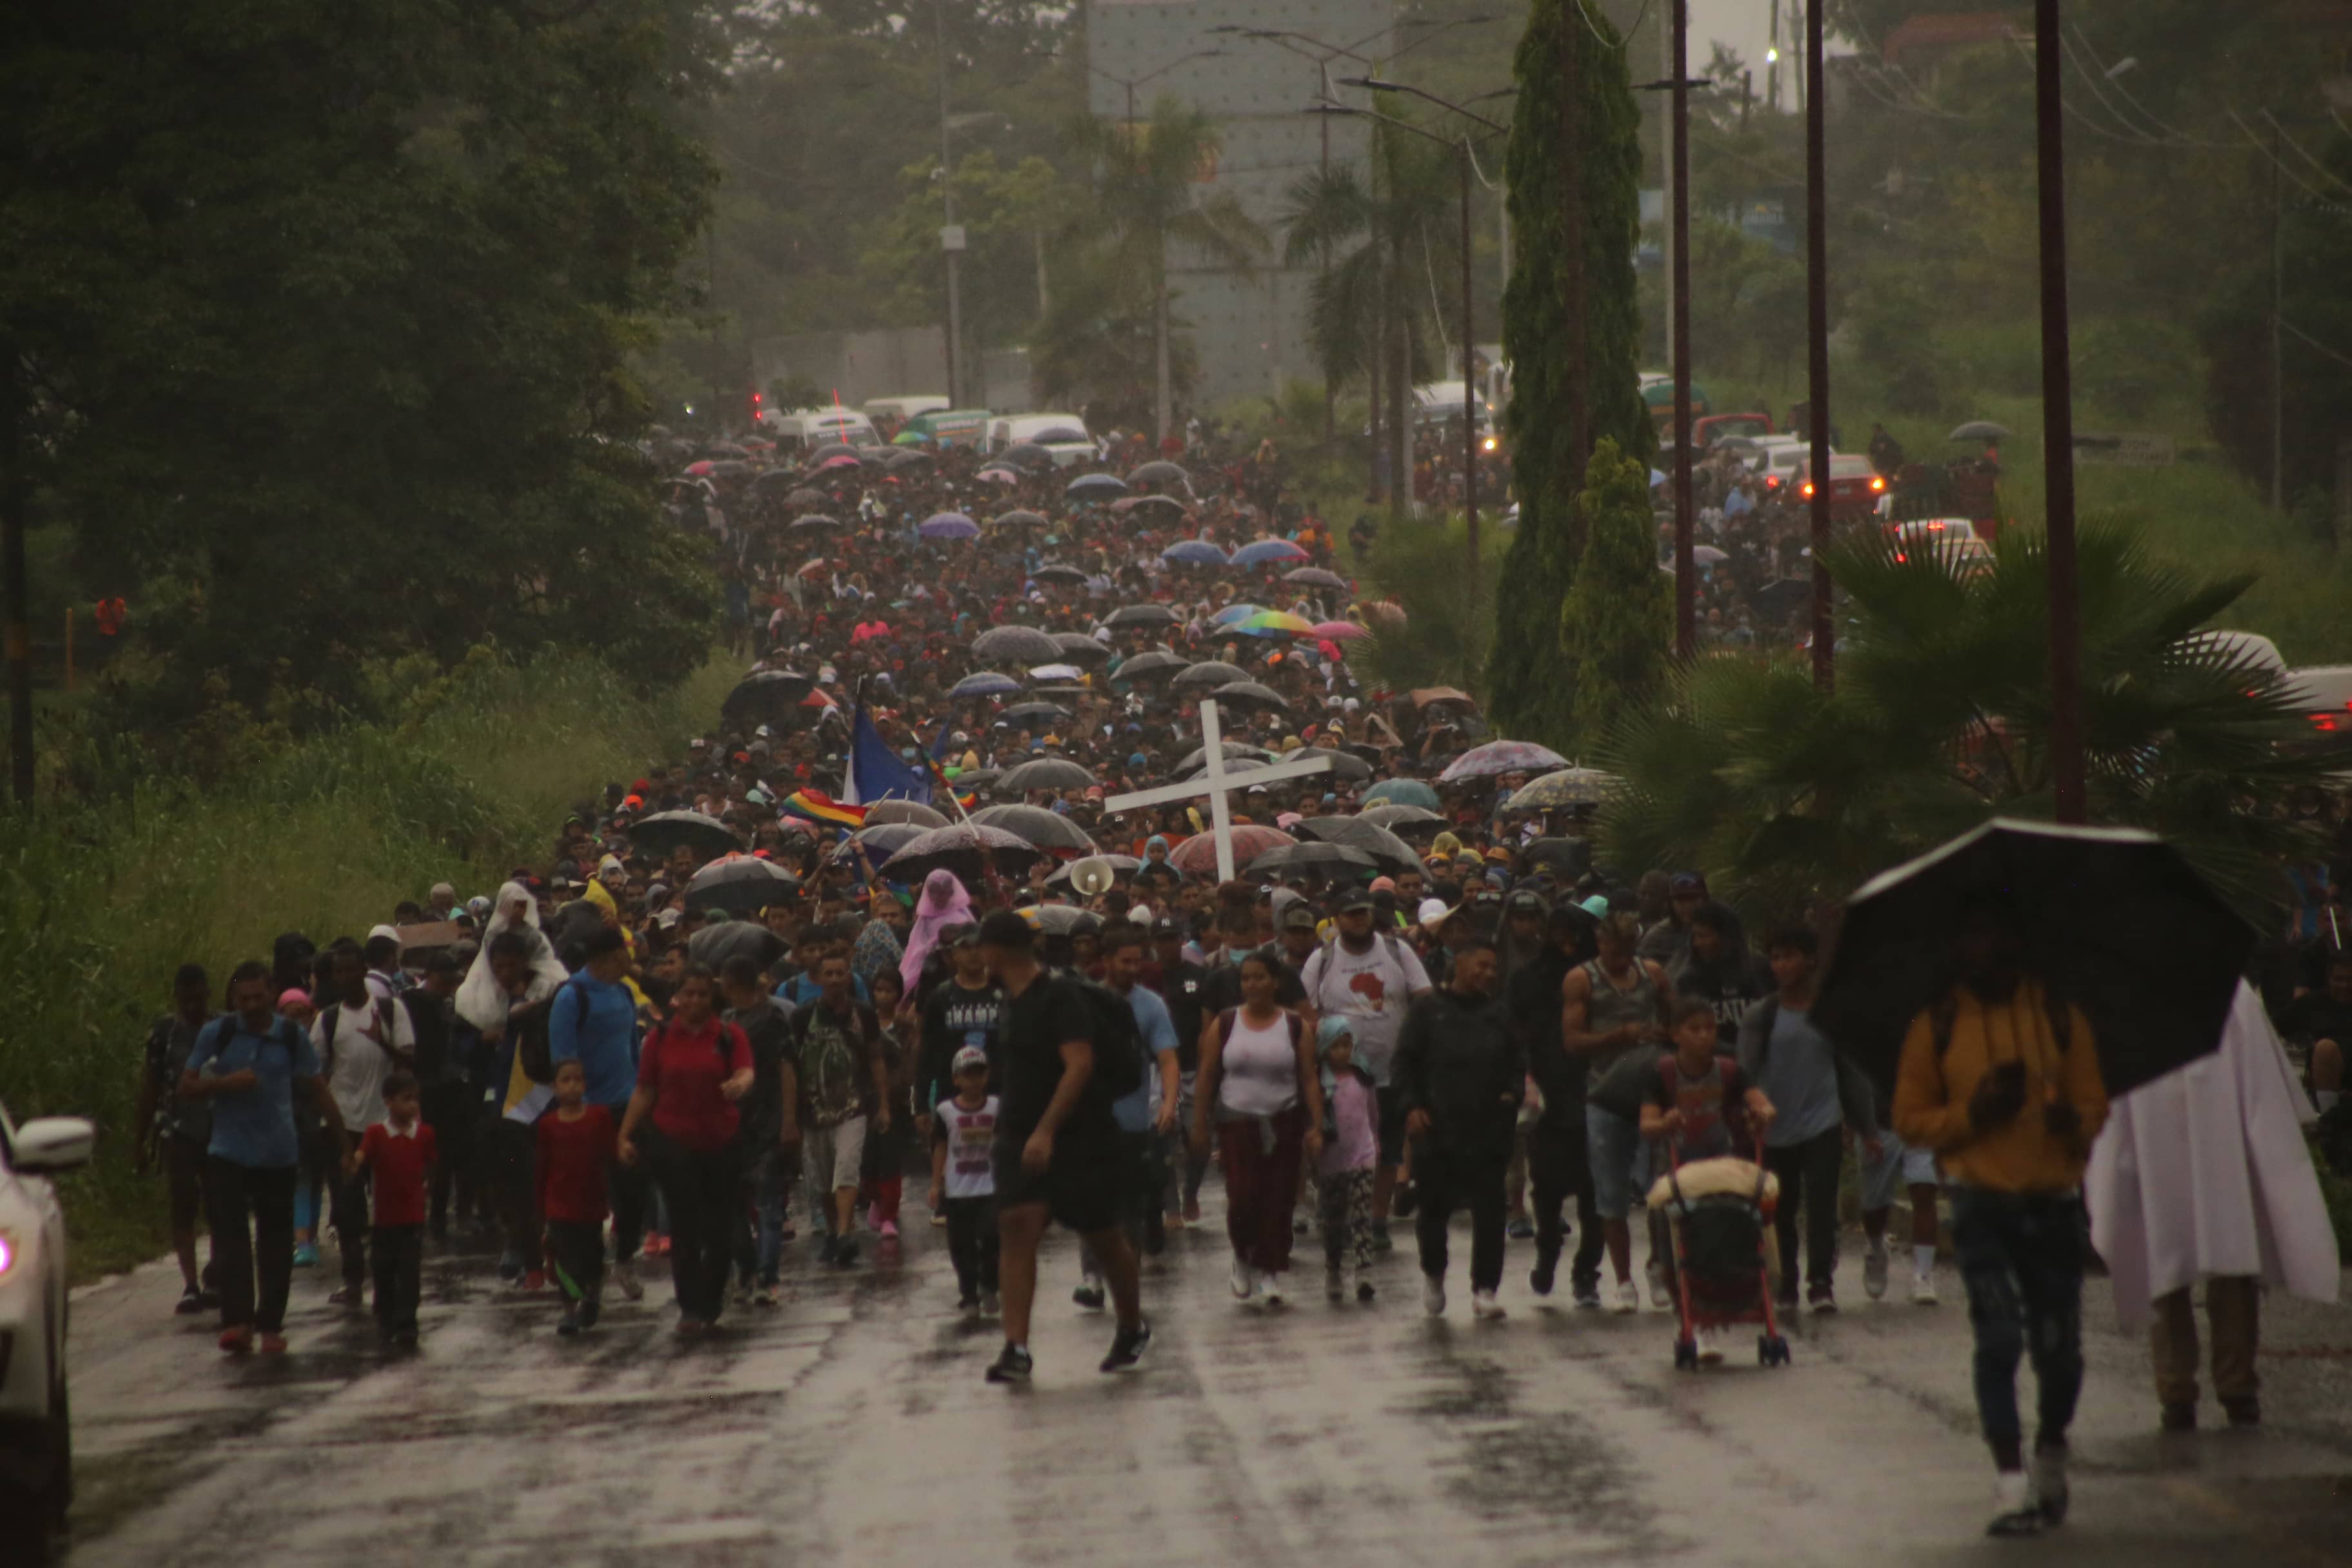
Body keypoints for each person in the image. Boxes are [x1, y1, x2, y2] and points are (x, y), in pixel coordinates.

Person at [1891, 894, 2107, 1538]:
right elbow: (1909, 1118)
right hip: (1981, 1204)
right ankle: (2010, 1480)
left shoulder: (2059, 1015)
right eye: (1970, 936)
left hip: (2053, 1204)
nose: (1982, 948)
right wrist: (1973, 1114)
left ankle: (2051, 1451)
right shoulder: (1937, 1023)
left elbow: (2094, 1103)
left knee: (2059, 1350)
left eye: (1994, 934)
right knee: (2001, 1338)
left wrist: (2072, 1122)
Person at [2086, 981, 2339, 1431]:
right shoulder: (2227, 993)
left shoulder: (2170, 994)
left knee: (2193, 1265)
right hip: (2200, 1149)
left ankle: (2197, 1388)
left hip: (2185, 1149)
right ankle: (2209, 1387)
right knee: (2212, 1264)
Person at [977, 909, 1150, 1383]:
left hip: (1080, 1136)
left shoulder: (1060, 997)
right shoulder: (1009, 1000)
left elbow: (1080, 1065)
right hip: (1018, 1134)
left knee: (1103, 1236)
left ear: (997, 950)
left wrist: (1048, 1130)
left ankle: (1132, 1325)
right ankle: (1016, 1347)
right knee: (1017, 1225)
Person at [181, 961, 344, 1355]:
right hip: (228, 1153)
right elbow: (186, 1087)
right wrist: (224, 1084)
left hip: (279, 1154)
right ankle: (238, 1323)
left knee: (274, 1243)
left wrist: (343, 1141)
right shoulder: (216, 1034)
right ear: (233, 1000)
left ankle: (271, 1324)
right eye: (243, 999)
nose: (252, 1005)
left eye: (258, 997)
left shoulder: (290, 1037)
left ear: (271, 994)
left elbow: (319, 1089)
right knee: (232, 1241)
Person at [1737, 925, 1872, 1314]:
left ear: (1810, 960)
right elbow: (1745, 1073)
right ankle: (1786, 1283)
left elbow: (1849, 1072)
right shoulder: (1762, 1015)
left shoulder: (1830, 1012)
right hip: (1775, 1125)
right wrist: (1750, 1113)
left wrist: (1865, 1127)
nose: (1781, 965)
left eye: (1790, 956)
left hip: (1823, 1123)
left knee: (1821, 1204)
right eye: (1776, 957)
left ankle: (1820, 1283)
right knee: (1780, 1207)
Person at [1392, 936, 1524, 1320]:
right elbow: (1404, 1063)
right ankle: (1433, 1273)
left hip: (1488, 1129)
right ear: (1459, 962)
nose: (1487, 973)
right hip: (1437, 1127)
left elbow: (1517, 1063)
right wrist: (1412, 1107)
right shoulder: (1427, 1011)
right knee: (1433, 1208)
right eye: (1480, 965)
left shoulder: (1498, 1014)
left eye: (1493, 968)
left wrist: (1511, 1095)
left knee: (1490, 1210)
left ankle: (1485, 1289)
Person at [618, 963, 754, 1333]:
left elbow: (745, 1070)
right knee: (683, 1227)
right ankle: (691, 1308)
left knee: (720, 1229)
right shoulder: (659, 1040)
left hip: (721, 1143)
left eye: (703, 994)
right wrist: (625, 1134)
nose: (695, 1001)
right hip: (673, 1144)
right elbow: (645, 1090)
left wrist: (740, 1084)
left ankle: (712, 1299)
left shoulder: (729, 1034)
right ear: (677, 998)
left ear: (712, 998)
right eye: (689, 993)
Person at [1298, 888, 1432, 1252]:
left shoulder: (1396, 951)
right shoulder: (1321, 960)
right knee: (1340, 1148)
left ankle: (1377, 1220)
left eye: (1364, 912)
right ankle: (1339, 1213)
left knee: (1386, 1149)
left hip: (1392, 1071)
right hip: (1342, 1080)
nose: (1359, 919)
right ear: (1337, 919)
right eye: (1351, 913)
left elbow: (1423, 997)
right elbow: (1305, 1013)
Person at [1194, 950, 1323, 1306]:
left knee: (1278, 1199)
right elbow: (1207, 1075)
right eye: (1246, 978)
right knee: (1242, 1197)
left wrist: (1316, 1125)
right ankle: (1241, 1256)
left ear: (1275, 982)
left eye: (1260, 977)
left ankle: (1270, 1272)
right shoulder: (1225, 1023)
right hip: (1237, 1123)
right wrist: (1200, 1125)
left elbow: (1309, 1078)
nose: (1252, 984)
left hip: (1284, 1121)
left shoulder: (1295, 1025)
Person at [1562, 911, 1673, 1312]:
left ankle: (1658, 1266)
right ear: (1600, 941)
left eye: (1629, 949)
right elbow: (1572, 1041)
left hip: (1651, 1092)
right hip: (1606, 1094)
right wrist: (1618, 1036)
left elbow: (1677, 1017)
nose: (1622, 957)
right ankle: (1623, 1279)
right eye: (1614, 948)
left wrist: (1665, 1034)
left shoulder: (1653, 974)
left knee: (1659, 1187)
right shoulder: (1582, 980)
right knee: (1610, 1194)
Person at [1077, 926, 1180, 1309]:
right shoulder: (1086, 1003)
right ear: (1107, 962)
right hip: (1092, 1123)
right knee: (1094, 1205)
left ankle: (1128, 1285)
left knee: (1132, 1212)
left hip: (1138, 1125)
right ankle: (1092, 1279)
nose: (1133, 969)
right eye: (1126, 962)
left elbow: (1167, 1058)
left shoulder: (1152, 1006)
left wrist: (1169, 1103)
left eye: (1138, 961)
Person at [549, 925, 651, 1302]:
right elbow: (563, 1057)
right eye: (626, 951)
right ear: (610, 957)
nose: (633, 957)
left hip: (627, 1110)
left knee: (634, 1192)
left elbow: (633, 1051)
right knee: (588, 1198)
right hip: (588, 1112)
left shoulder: (623, 990)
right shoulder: (572, 996)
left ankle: (624, 1259)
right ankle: (586, 1275)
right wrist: (572, 1110)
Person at [313, 944, 416, 1309]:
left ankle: (389, 1280)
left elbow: (409, 1060)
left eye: (350, 971)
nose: (344, 978)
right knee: (347, 1208)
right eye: (337, 973)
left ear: (362, 971)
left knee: (390, 1206)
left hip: (384, 1125)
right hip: (343, 1127)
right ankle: (353, 1281)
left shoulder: (390, 1010)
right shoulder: (327, 1020)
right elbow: (316, 1073)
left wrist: (382, 1041)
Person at [1513, 899, 1604, 1308]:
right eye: (1558, 935)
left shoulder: (1602, 980)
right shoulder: (1529, 979)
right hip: (1548, 1095)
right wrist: (1526, 1079)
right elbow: (1515, 1035)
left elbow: (1624, 1040)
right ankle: (1548, 1252)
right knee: (1547, 1188)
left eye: (1574, 936)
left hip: (1599, 1093)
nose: (1566, 944)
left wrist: (1615, 1072)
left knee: (1595, 1193)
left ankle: (1587, 1272)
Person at [786, 952, 890, 1266]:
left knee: (846, 1169)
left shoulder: (864, 1015)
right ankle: (832, 1231)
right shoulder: (802, 1018)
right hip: (813, 1112)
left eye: (840, 973)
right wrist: (790, 1117)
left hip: (853, 1107)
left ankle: (846, 1233)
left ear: (849, 977)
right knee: (822, 1180)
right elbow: (790, 1067)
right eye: (828, 973)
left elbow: (876, 1058)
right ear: (817, 979)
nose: (834, 979)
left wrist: (883, 1104)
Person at [135, 963, 217, 1316]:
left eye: (199, 998)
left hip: (221, 1130)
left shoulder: (222, 1029)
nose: (194, 1006)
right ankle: (191, 1284)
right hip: (178, 1131)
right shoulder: (165, 1035)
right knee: (182, 1205)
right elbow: (150, 1086)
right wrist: (138, 1141)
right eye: (187, 1000)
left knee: (220, 1206)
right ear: (177, 998)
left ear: (208, 994)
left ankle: (216, 1275)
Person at [721, 956, 798, 1306]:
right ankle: (748, 1271)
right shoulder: (725, 1023)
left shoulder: (771, 1020)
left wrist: (789, 1121)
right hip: (734, 1124)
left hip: (766, 1122)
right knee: (737, 1206)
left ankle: (766, 1275)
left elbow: (787, 1070)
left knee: (767, 1205)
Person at [342, 1069, 435, 1346]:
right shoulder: (377, 1132)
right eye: (406, 1099)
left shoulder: (425, 1134)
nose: (413, 1105)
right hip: (383, 1219)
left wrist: (428, 1186)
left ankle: (407, 1322)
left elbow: (431, 1164)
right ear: (388, 1102)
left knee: (409, 1271)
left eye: (415, 1100)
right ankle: (385, 1315)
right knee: (383, 1268)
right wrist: (353, 1163)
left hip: (413, 1217)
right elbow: (362, 1154)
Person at [537, 1058, 617, 1337]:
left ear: (585, 1084)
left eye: (577, 1080)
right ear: (554, 1087)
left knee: (591, 1256)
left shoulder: (599, 1117)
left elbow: (610, 1156)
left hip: (592, 1203)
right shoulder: (547, 1125)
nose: (572, 1086)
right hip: (559, 1204)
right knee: (563, 1260)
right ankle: (569, 1312)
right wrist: (541, 1206)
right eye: (565, 1080)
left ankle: (592, 1296)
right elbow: (543, 1165)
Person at [930, 1045, 1002, 1315]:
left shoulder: (997, 1107)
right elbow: (940, 1147)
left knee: (992, 1237)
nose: (974, 1080)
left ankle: (990, 1286)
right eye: (967, 1075)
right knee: (962, 1246)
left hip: (990, 1187)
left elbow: (1005, 1142)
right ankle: (969, 1293)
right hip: (958, 1190)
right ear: (956, 1079)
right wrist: (936, 1184)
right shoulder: (945, 1111)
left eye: (979, 1074)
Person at [1315, 1017, 1380, 1303]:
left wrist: (1375, 1142)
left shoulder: (1363, 1078)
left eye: (1347, 1045)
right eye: (1335, 1046)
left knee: (1361, 1214)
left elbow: (1373, 1113)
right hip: (1331, 1161)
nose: (1342, 1052)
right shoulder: (1319, 1084)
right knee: (1333, 1220)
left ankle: (1365, 1270)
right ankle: (1334, 1269)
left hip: (1362, 1156)